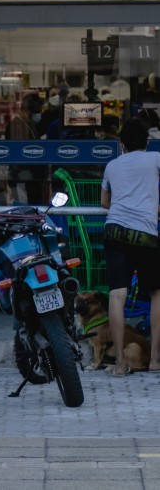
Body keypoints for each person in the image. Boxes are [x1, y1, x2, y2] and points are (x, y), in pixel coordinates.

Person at [100, 117, 160, 376]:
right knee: (157, 293)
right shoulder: (155, 159)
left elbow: (105, 202)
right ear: (146, 142)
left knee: (117, 296)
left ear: (121, 143)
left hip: (114, 231)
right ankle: (155, 359)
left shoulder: (112, 165)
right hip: (145, 234)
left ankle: (121, 365)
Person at [6, 92, 47, 204]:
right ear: (27, 111)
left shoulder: (28, 124)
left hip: (31, 177)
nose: (38, 115)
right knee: (24, 208)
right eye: (36, 113)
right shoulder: (17, 126)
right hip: (23, 177)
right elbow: (20, 152)